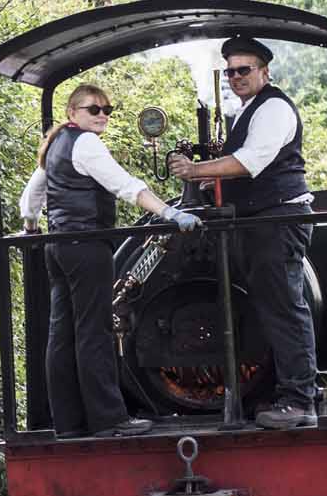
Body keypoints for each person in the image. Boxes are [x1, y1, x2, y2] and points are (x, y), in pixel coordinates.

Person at [22, 83, 204, 438]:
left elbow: (31, 196)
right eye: (94, 109)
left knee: (62, 334)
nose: (102, 114)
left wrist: (31, 228)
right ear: (73, 112)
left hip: (58, 248)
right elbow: (124, 184)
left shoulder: (57, 143)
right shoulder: (86, 143)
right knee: (94, 332)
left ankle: (68, 424)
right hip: (88, 247)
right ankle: (109, 420)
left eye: (108, 109)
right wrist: (169, 212)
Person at [167, 35, 319, 430]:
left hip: (277, 221)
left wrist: (196, 171)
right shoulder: (248, 111)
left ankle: (300, 402)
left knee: (285, 309)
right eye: (230, 71)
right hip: (258, 223)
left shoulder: (273, 109)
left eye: (244, 70)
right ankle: (285, 392)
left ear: (264, 71)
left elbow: (251, 162)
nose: (236, 77)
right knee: (271, 308)